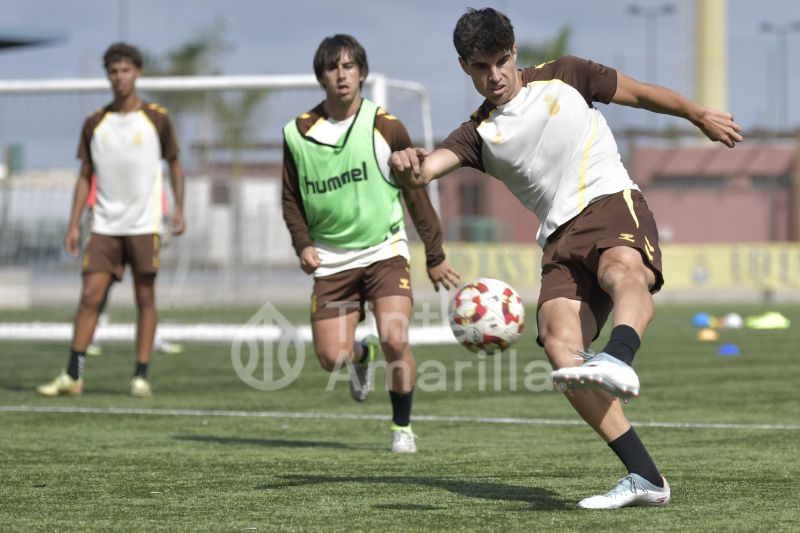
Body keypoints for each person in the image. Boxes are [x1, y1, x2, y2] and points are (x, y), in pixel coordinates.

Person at [390, 8, 741, 506]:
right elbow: (425, 173)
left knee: (622, 270)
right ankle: (645, 478)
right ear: (464, 67)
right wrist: (405, 166)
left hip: (610, 201)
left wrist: (697, 114)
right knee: (561, 348)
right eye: (479, 67)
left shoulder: (566, 74)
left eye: (501, 60)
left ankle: (620, 357)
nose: (493, 76)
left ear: (514, 52)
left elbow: (639, 93)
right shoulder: (475, 135)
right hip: (557, 240)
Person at [282, 34, 459, 453]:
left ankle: (402, 427)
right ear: (321, 76)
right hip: (331, 260)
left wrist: (434, 255)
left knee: (396, 338)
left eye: (349, 66)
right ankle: (360, 356)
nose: (341, 75)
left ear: (361, 72)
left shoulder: (385, 125)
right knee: (331, 358)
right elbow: (290, 198)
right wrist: (302, 243)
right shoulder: (297, 134)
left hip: (384, 252)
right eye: (332, 67)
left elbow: (415, 191)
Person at [37, 42, 186, 398]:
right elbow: (85, 175)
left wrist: (180, 208)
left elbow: (175, 165)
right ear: (108, 75)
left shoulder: (157, 118)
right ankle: (73, 374)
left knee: (145, 298)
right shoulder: (95, 123)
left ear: (138, 73)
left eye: (126, 70)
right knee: (90, 296)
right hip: (103, 225)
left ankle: (141, 375)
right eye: (114, 71)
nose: (120, 77)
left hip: (144, 224)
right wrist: (74, 223)